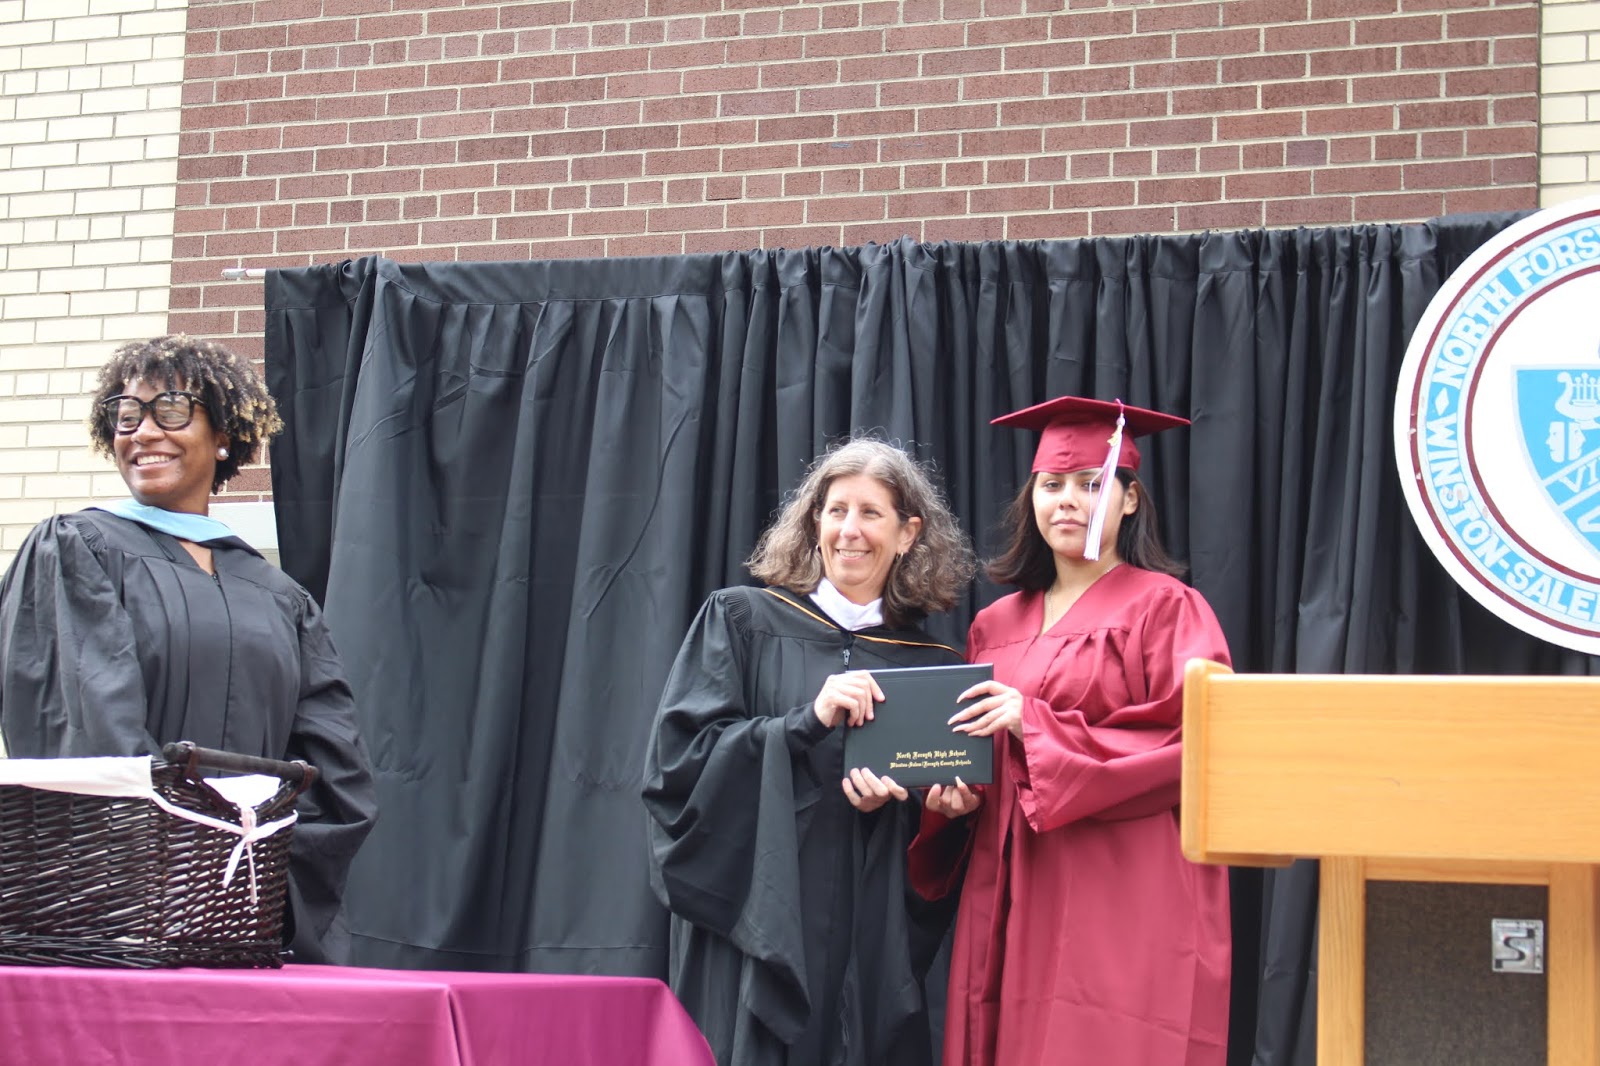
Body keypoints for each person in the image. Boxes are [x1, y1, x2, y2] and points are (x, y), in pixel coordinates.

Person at [0, 334, 378, 964]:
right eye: (126, 415)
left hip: (247, 913)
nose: (143, 431)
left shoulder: (279, 595)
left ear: (224, 434)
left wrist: (262, 882)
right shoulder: (77, 549)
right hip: (120, 917)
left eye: (171, 410)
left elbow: (334, 766)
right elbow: (92, 733)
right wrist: (172, 862)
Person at [910, 396, 1232, 1066]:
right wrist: (955, 799)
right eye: (1051, 486)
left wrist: (1038, 725)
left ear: (1131, 500)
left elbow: (1202, 740)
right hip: (1007, 877)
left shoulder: (1168, 609)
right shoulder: (994, 625)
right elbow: (976, 753)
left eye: (1092, 485)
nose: (1067, 501)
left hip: (1124, 880)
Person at [643, 438, 978, 1066]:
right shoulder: (741, 621)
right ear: (813, 523)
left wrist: (934, 814)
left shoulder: (936, 669)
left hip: (867, 930)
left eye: (871, 513)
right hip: (755, 920)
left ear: (908, 534)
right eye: (835, 511)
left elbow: (938, 849)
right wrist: (803, 723)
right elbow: (678, 768)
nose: (850, 531)